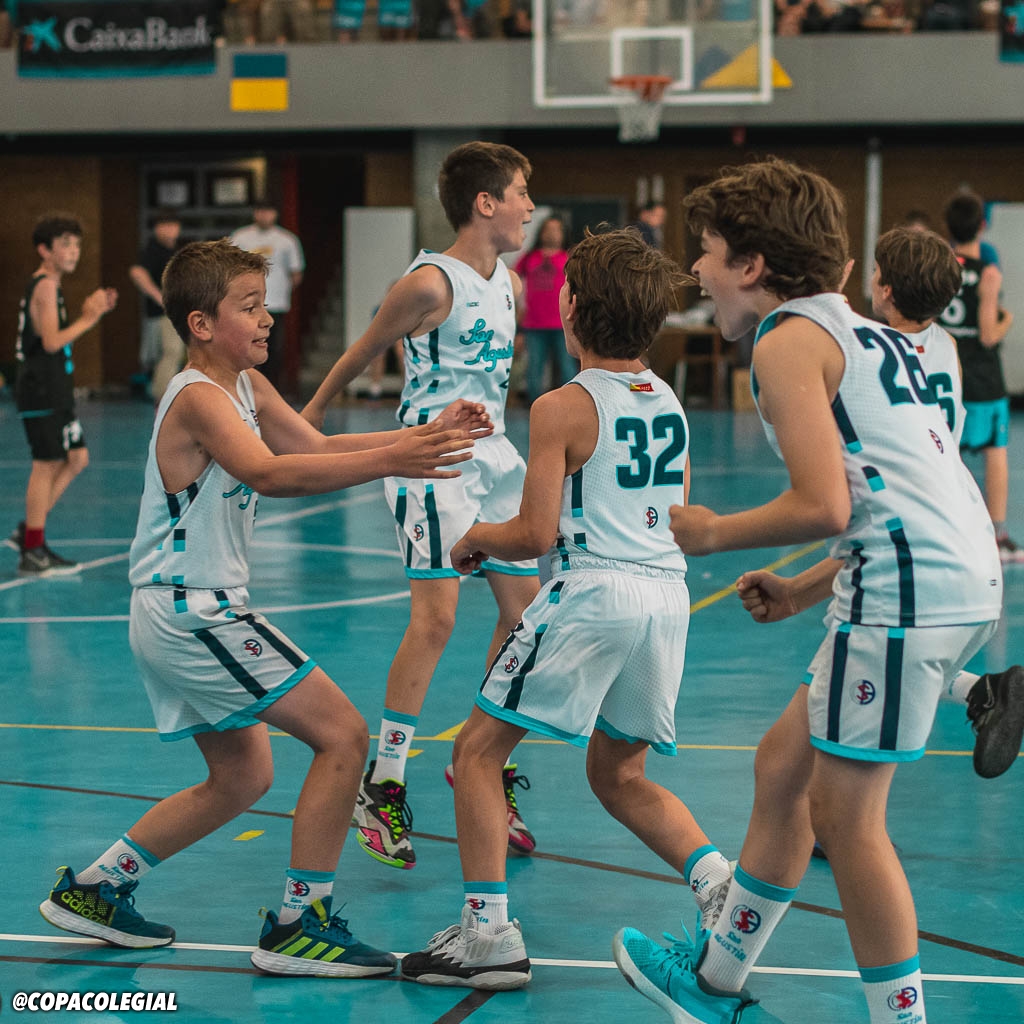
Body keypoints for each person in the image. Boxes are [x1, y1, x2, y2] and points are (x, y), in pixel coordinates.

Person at [613, 158, 1002, 1024]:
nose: (696, 269)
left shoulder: (788, 338)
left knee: (847, 819)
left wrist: (712, 532)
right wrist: (800, 591)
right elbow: (889, 498)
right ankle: (714, 982)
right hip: (943, 575)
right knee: (782, 768)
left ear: (753, 265)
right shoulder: (871, 335)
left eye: (707, 251)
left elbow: (825, 504)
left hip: (907, 592)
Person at [37, 238, 489, 975]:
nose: (268, 317)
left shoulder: (247, 385)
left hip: (185, 611)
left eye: (265, 303)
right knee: (343, 736)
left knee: (243, 776)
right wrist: (394, 460)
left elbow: (313, 444)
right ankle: (297, 925)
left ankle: (96, 889)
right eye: (249, 306)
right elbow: (272, 474)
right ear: (201, 324)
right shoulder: (197, 397)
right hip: (194, 613)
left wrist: (424, 436)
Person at [399, 228, 733, 990]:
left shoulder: (562, 405)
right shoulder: (670, 402)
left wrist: (473, 538)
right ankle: (719, 883)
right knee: (618, 774)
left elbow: (533, 533)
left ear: (570, 306)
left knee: (476, 753)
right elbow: (672, 512)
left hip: (595, 592)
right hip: (666, 597)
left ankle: (487, 935)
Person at [302, 141, 542, 871]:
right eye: (521, 192)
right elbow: (363, 348)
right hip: (431, 460)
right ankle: (385, 783)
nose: (530, 205)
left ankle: (481, 758)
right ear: (485, 203)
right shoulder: (430, 283)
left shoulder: (510, 282)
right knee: (436, 620)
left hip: (494, 457)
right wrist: (310, 416)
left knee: (527, 618)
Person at [871, 225, 1024, 781]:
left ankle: (844, 817)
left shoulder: (873, 350)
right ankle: (984, 690)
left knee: (872, 663)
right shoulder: (947, 346)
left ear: (886, 289)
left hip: (918, 533)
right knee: (897, 665)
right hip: (964, 518)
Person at [9, 213, 117, 576]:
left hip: (55, 388)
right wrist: (90, 317)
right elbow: (52, 341)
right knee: (47, 463)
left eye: (77, 244)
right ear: (45, 250)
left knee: (77, 457)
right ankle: (33, 550)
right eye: (65, 244)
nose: (73, 251)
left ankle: (29, 531)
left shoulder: (51, 284)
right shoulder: (44, 285)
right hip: (39, 389)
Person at [937, 189, 1020, 563]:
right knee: (994, 450)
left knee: (944, 451)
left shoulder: (941, 268)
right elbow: (988, 335)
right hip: (983, 377)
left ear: (948, 227)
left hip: (945, 371)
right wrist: (1007, 320)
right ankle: (998, 536)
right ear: (982, 226)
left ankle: (945, 531)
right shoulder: (988, 272)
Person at [230, 199, 305, 393]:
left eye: (268, 211)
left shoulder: (286, 240)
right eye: (261, 211)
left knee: (272, 348)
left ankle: (271, 390)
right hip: (246, 304)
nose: (264, 216)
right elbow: (229, 269)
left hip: (276, 304)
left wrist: (281, 290)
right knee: (245, 345)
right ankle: (245, 388)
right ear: (255, 213)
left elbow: (296, 273)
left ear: (275, 214)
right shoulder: (240, 237)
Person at [514, 215, 577, 405]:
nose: (552, 233)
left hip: (562, 324)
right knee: (534, 369)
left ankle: (571, 407)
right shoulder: (529, 258)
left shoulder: (569, 258)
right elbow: (512, 279)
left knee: (567, 368)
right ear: (541, 233)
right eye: (548, 229)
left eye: (556, 230)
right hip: (533, 325)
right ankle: (535, 409)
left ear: (563, 234)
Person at [129, 209, 183, 404]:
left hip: (176, 312)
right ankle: (161, 396)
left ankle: (166, 394)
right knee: (171, 352)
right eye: (165, 225)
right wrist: (159, 297)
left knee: (172, 354)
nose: (170, 230)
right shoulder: (153, 250)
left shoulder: (175, 250)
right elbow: (137, 273)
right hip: (163, 314)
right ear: (157, 229)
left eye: (173, 225)